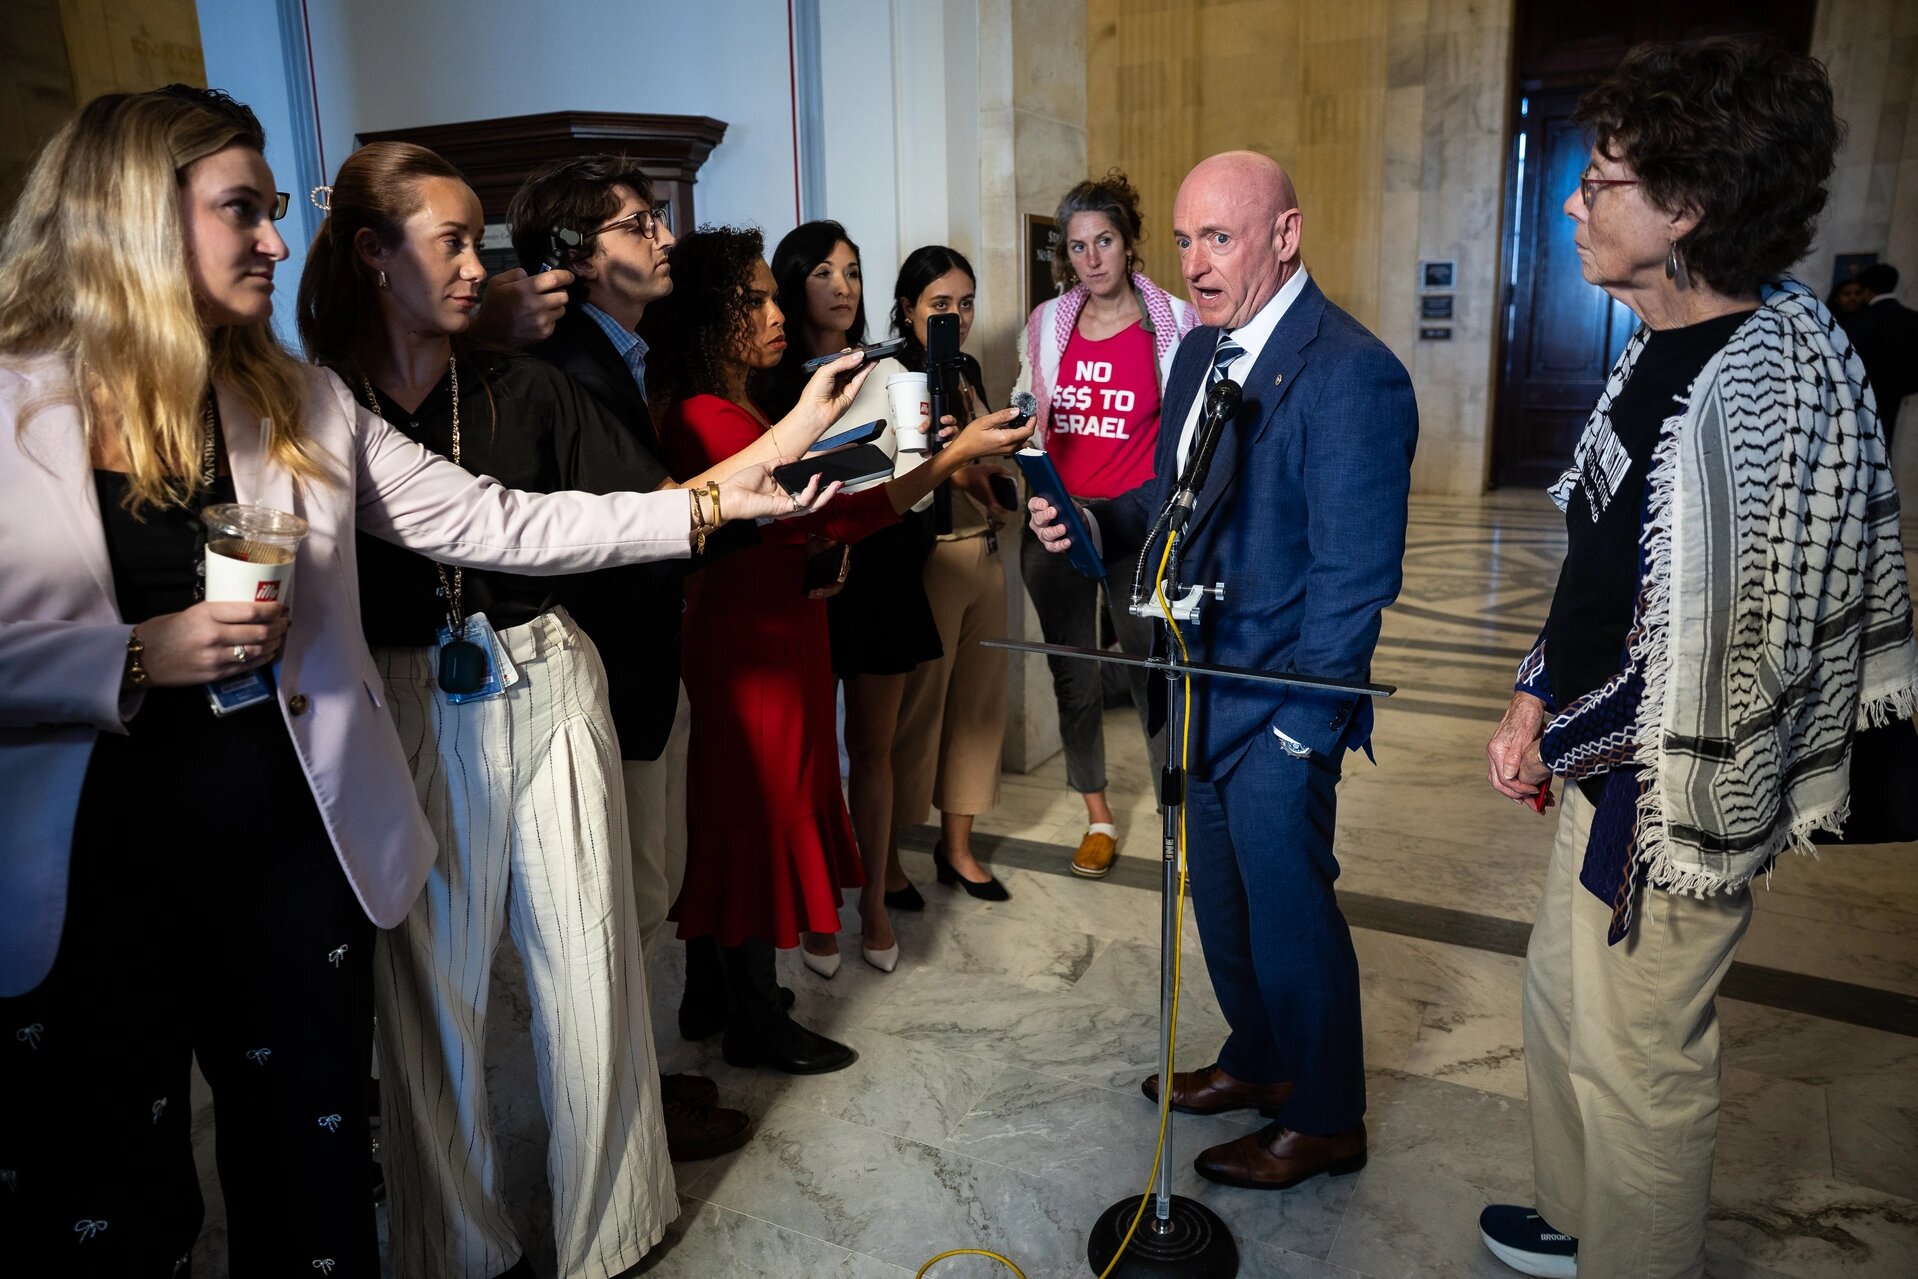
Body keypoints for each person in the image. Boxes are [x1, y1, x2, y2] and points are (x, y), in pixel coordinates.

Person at [0, 86, 836, 1277]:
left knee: (310, 1184)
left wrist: (707, 503)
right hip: (93, 871)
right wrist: (135, 655)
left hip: (284, 853)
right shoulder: (12, 402)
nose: (275, 239)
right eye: (243, 209)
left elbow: (498, 519)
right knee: (110, 1199)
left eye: (276, 210)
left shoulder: (295, 399)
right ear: (134, 211)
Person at [298, 142, 868, 1279]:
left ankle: (613, 1229)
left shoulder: (529, 386)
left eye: (483, 242)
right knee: (430, 994)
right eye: (452, 242)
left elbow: (648, 513)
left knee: (592, 967)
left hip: (549, 674)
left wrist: (779, 450)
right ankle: (458, 1248)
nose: (480, 266)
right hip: (403, 694)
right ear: (372, 255)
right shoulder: (317, 407)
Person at [1477, 40, 1914, 1279]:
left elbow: (1714, 669)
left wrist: (1551, 739)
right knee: (1561, 1004)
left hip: (1678, 796)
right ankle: (1578, 1222)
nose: (1573, 205)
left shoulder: (1762, 395)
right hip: (1600, 758)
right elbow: (1597, 568)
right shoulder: (1650, 345)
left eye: (1598, 182)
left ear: (1684, 208)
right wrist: (1530, 694)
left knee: (1641, 1063)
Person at [1028, 150, 1418, 1188]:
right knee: (1225, 905)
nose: (1195, 264)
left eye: (1220, 238)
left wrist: (1303, 728)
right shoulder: (1200, 352)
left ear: (1284, 236)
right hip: (1193, 688)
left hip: (1280, 699)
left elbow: (1353, 576)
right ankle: (1261, 1059)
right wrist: (1089, 521)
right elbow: (1171, 503)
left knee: (1290, 912)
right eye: (1185, 240)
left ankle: (1326, 1116)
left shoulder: (1352, 369)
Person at [645, 226, 1031, 1073]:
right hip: (753, 641)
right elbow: (822, 514)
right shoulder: (709, 415)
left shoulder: (736, 405)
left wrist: (918, 479)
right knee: (756, 812)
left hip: (776, 623)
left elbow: (813, 521)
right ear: (712, 316)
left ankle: (712, 993)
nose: (776, 313)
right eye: (756, 299)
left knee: (738, 808)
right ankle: (753, 1017)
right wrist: (948, 459)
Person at [501, 154, 759, 1162]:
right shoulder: (567, 363)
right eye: (640, 223)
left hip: (650, 653)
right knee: (625, 899)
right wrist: (789, 465)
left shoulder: (624, 353)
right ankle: (628, 1109)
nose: (664, 237)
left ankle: (648, 1080)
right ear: (574, 253)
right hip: (605, 667)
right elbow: (647, 523)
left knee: (650, 887)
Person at [764, 219, 941, 974]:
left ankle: (872, 903)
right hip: (802, 569)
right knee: (808, 754)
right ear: (792, 283)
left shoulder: (891, 368)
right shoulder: (769, 379)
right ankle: (816, 911)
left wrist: (936, 453)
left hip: (883, 564)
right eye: (825, 273)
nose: (843, 288)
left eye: (854, 272)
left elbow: (917, 496)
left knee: (872, 747)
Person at [1012, 169, 1196, 879]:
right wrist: (1023, 480)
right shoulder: (1046, 325)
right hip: (1058, 526)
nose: (1092, 259)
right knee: (1074, 676)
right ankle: (1097, 816)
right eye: (1077, 246)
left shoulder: (1174, 324)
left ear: (1129, 242)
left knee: (1155, 675)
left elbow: (1188, 439)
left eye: (1105, 241)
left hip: (1136, 528)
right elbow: (1025, 417)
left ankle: (1179, 822)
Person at [890, 245, 1021, 900]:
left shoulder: (965, 368)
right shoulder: (893, 374)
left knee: (978, 709)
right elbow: (899, 478)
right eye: (940, 304)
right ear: (908, 308)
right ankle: (887, 857)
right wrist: (960, 469)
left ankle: (958, 848)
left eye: (966, 303)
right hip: (931, 556)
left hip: (986, 552)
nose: (957, 317)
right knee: (916, 714)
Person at [1841, 262, 1917, 445]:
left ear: (1867, 290)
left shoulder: (1860, 321)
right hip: (1897, 393)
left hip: (1860, 394)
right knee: (1884, 443)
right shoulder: (1912, 319)